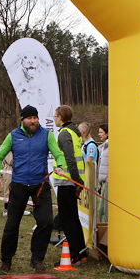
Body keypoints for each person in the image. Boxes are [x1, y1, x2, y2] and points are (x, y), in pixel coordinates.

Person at [0, 105, 67, 272]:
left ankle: (37, 258)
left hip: (40, 185)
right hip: (19, 185)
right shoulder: (13, 136)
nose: (33, 121)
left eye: (35, 118)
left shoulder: (46, 135)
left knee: (46, 222)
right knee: (12, 224)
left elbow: (58, 154)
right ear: (22, 120)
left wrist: (60, 166)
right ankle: (6, 260)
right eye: (29, 118)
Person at [52, 106, 88, 264]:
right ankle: (81, 252)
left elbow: (70, 159)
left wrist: (76, 181)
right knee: (73, 217)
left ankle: (74, 256)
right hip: (72, 180)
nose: (54, 119)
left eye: (55, 116)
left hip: (67, 181)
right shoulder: (75, 133)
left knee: (67, 219)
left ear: (60, 117)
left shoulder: (64, 133)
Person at [96, 123, 109, 224]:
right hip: (103, 182)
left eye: (101, 132)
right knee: (101, 210)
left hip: (107, 182)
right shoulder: (101, 148)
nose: (99, 134)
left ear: (107, 133)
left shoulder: (109, 148)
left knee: (105, 210)